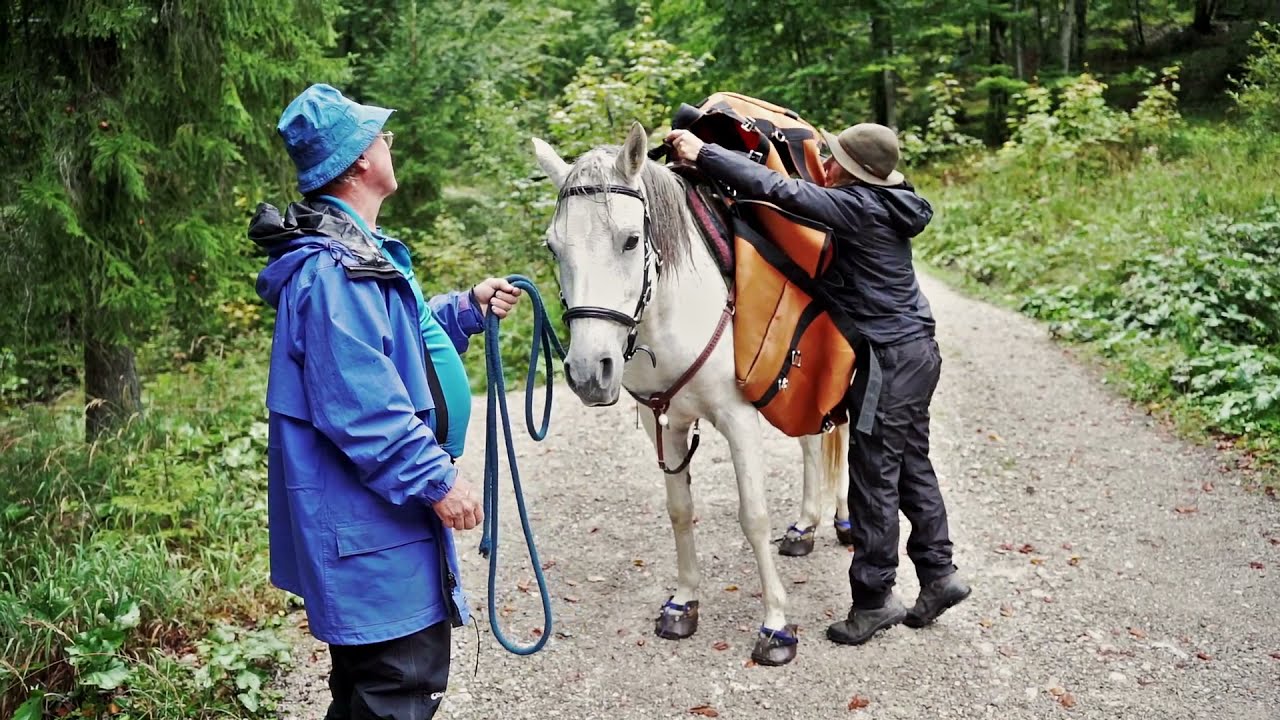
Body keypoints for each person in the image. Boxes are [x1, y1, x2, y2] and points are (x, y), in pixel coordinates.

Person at [249, 83, 521, 719]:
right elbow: (362, 408)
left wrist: (465, 309)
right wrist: (437, 482)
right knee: (397, 690)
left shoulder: (357, 252)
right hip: (372, 534)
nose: (389, 144)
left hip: (378, 531)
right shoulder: (334, 271)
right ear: (360, 162)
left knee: (372, 694)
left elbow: (396, 344)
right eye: (382, 137)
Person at [664, 122, 970, 645]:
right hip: (918, 351)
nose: (824, 165)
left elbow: (782, 191)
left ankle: (874, 599)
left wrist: (705, 153)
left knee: (873, 475)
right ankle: (939, 575)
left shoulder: (859, 206)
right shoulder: (894, 199)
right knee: (911, 463)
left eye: (835, 160)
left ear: (856, 173)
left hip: (887, 360)